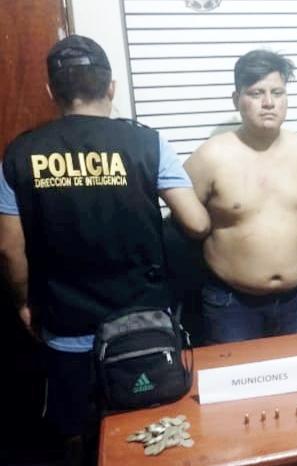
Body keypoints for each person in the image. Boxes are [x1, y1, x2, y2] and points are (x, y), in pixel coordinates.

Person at [0, 35, 210, 465]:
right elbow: (196, 222)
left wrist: (22, 302)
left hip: (66, 324)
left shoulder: (20, 153)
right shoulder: (147, 144)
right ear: (111, 87)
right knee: (151, 435)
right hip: (141, 326)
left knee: (79, 437)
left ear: (51, 91)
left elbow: (8, 248)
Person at [184, 49, 297, 344]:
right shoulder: (209, 157)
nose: (268, 103)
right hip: (232, 305)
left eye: (277, 92)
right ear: (236, 99)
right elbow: (187, 221)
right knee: (235, 375)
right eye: (256, 93)